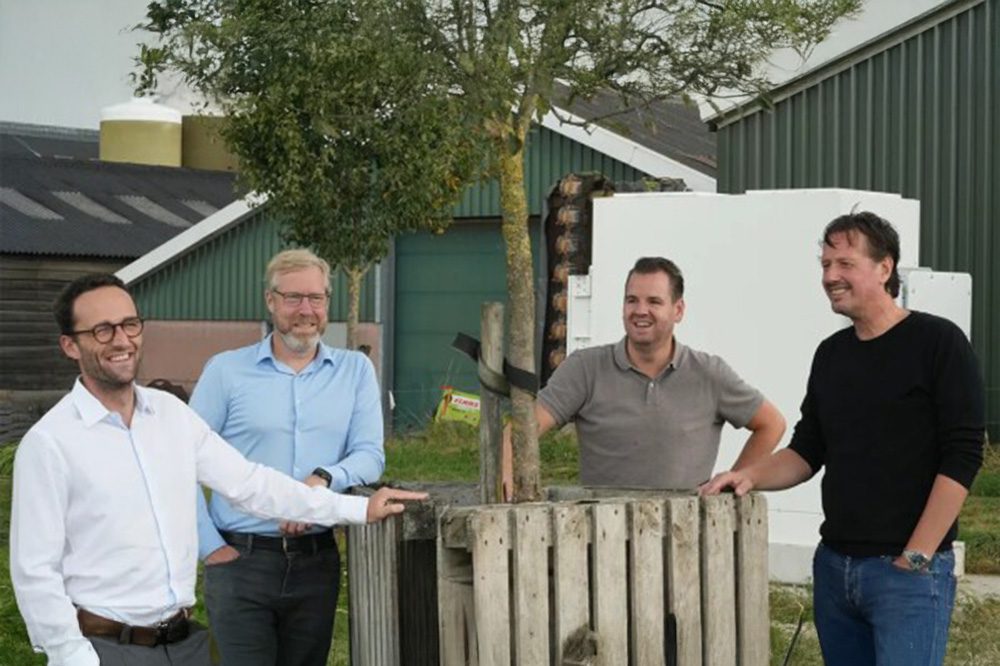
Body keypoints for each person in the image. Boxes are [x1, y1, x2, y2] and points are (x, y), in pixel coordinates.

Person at [9, 274, 424, 666]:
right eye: (103, 330)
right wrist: (72, 657)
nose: (122, 340)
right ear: (69, 345)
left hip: (184, 644)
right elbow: (34, 570)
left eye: (130, 324)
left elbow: (252, 485)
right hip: (106, 649)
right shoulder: (50, 444)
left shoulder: (171, 415)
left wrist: (358, 510)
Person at [701, 212, 985, 665]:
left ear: (884, 268)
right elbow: (807, 450)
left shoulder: (939, 343)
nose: (830, 276)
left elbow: (963, 455)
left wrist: (917, 557)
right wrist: (747, 475)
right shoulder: (831, 355)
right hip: (835, 569)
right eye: (825, 264)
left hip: (907, 575)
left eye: (845, 264)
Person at [192, 249, 384, 666]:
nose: (306, 310)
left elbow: (370, 455)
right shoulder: (226, 372)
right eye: (294, 298)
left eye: (316, 298)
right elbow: (179, 464)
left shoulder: (355, 371)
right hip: (240, 561)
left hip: (316, 561)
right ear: (271, 301)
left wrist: (324, 477)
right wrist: (209, 548)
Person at [505, 256, 785, 494]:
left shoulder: (709, 373)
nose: (640, 311)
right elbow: (521, 429)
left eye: (654, 301)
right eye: (631, 300)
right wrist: (507, 487)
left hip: (684, 541)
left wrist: (732, 484)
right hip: (602, 539)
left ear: (678, 310)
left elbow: (772, 424)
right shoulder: (585, 369)